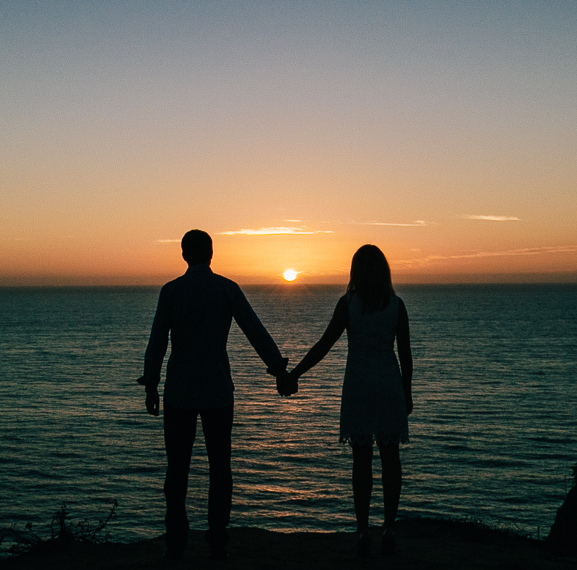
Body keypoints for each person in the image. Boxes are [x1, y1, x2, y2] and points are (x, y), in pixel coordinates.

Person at [142, 229, 292, 560]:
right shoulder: (226, 289)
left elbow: (157, 341)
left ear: (183, 254)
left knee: (177, 468)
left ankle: (176, 541)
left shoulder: (171, 292)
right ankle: (217, 539)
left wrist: (151, 383)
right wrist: (279, 371)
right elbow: (255, 330)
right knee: (220, 467)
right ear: (211, 253)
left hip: (179, 391)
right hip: (217, 390)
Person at [283, 244, 413, 555]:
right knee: (391, 458)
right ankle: (390, 526)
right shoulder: (397, 305)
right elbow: (406, 355)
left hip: (359, 386)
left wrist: (295, 374)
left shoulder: (348, 304)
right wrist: (407, 391)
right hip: (388, 385)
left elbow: (324, 345)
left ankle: (363, 529)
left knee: (361, 461)